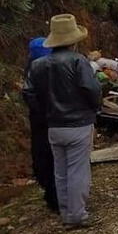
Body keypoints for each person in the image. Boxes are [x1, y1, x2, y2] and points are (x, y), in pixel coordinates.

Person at [22, 14, 102, 229]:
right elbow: (91, 89)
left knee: (61, 171)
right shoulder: (78, 62)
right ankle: (77, 215)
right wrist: (94, 108)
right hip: (78, 124)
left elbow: (28, 93)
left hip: (53, 126)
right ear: (74, 40)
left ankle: (66, 213)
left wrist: (45, 112)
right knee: (78, 170)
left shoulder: (37, 65)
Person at [22, 37, 58, 213]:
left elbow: (28, 93)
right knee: (58, 157)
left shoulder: (31, 69)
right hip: (59, 119)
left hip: (40, 121)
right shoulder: (56, 65)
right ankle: (60, 197)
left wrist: (39, 111)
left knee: (43, 156)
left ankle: (51, 195)